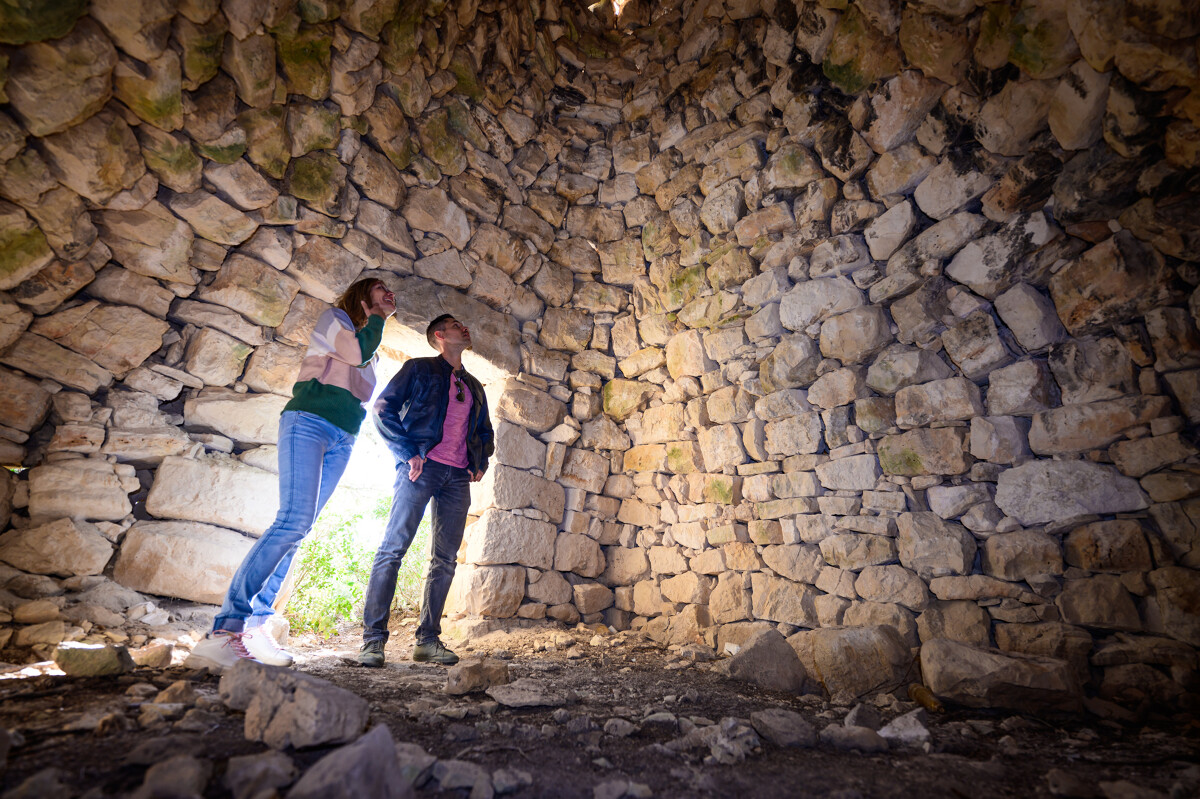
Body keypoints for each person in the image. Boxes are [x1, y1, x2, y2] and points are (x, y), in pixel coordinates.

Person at [185, 278, 396, 671]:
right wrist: (380, 319)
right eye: (381, 288)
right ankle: (223, 632)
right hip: (308, 423)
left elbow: (360, 387)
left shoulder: (373, 348)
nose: (390, 294)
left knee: (302, 528)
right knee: (291, 521)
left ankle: (255, 627)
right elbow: (352, 354)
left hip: (344, 437)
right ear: (364, 294)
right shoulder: (335, 320)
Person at [357, 314, 494, 667]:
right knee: (393, 549)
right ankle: (372, 642)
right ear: (439, 336)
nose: (465, 328)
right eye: (456, 326)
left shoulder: (474, 386)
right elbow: (383, 409)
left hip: (457, 478)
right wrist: (407, 453)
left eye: (465, 324)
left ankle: (427, 641)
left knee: (445, 560)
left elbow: (484, 432)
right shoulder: (418, 369)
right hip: (420, 468)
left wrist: (480, 461)